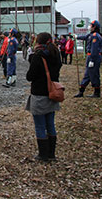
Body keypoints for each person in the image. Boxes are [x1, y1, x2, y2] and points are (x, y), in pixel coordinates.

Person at [25, 32, 62, 162]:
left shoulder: (38, 57)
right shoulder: (56, 54)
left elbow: (30, 76)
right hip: (52, 93)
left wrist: (32, 58)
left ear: (38, 42)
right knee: (50, 124)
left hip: (39, 94)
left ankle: (43, 154)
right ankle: (52, 153)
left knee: (40, 126)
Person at [74, 20, 102, 98]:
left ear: (94, 27)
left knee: (94, 75)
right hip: (90, 56)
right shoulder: (91, 35)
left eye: (91, 25)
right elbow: (85, 37)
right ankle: (81, 91)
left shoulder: (95, 36)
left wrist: (92, 60)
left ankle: (97, 92)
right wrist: (77, 37)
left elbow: (94, 49)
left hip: (94, 57)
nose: (90, 27)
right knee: (87, 74)